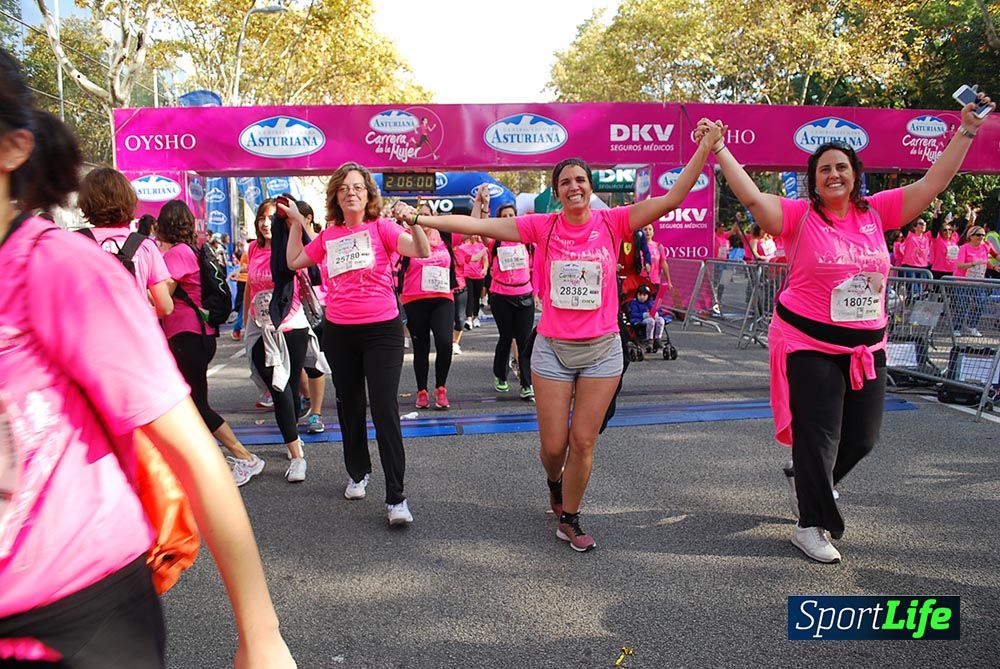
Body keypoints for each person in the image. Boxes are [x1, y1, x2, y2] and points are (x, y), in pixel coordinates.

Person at [0, 48, 295, 668]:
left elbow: (187, 446)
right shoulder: (137, 248)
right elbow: (159, 301)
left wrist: (260, 636)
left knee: (201, 413)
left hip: (78, 619)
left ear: (12, 148)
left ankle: (255, 452)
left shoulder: (62, 266)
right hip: (164, 342)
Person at [391, 120, 723, 551]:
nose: (574, 187)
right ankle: (554, 482)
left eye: (581, 180)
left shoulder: (614, 221)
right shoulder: (541, 226)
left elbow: (674, 196)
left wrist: (705, 148)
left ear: (590, 186)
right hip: (552, 352)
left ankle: (570, 516)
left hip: (603, 351)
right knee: (553, 447)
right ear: (556, 190)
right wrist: (419, 216)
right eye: (565, 182)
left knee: (583, 441)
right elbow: (478, 229)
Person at [703, 88, 994, 564]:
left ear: (855, 174)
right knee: (818, 437)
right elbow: (753, 196)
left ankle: (807, 483)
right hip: (807, 342)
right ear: (814, 183)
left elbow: (935, 183)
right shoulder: (800, 217)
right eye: (824, 170)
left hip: (867, 346)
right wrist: (719, 148)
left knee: (862, 438)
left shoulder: (878, 212)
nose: (833, 174)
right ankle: (810, 524)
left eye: (841, 166)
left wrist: (965, 130)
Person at [283, 162, 430, 526]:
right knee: (350, 407)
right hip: (340, 332)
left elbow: (421, 251)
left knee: (383, 409)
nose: (352, 192)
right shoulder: (329, 236)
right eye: (345, 187)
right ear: (336, 195)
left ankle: (397, 497)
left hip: (382, 331)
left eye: (359, 187)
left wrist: (414, 221)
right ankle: (358, 472)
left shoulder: (382, 227)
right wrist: (293, 227)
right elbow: (294, 260)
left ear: (368, 195)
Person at [156, 200, 265, 487]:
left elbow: (161, 299)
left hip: (186, 336)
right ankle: (205, 462)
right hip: (199, 335)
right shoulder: (193, 250)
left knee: (195, 405)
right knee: (190, 404)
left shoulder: (177, 254)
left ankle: (244, 457)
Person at [243, 200, 314, 482]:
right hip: (259, 326)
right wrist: (241, 320)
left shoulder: (289, 247)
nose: (264, 223)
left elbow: (314, 259)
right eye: (261, 217)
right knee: (278, 386)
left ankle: (292, 436)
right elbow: (250, 285)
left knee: (292, 387)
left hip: (291, 323)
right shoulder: (252, 248)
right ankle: (297, 456)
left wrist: (298, 223)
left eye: (271, 218)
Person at [76, 167, 173, 319]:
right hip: (136, 336)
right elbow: (166, 307)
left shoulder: (73, 243)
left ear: (85, 202)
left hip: (88, 337)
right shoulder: (144, 246)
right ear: (128, 200)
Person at [475, 191, 536, 399]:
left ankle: (526, 383)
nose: (509, 220)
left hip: (525, 295)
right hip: (501, 295)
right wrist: (484, 207)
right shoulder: (496, 241)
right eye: (504, 217)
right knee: (505, 337)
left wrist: (537, 293)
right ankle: (500, 375)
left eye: (512, 216)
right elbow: (483, 232)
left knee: (524, 340)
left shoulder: (526, 240)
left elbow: (535, 268)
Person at [400, 203, 457, 410]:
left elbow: (473, 228)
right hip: (414, 299)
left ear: (433, 216)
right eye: (418, 215)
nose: (422, 219)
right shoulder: (406, 236)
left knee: (444, 343)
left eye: (425, 215)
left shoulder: (445, 236)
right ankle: (422, 390)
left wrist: (481, 204)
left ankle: (440, 388)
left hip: (443, 298)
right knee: (421, 348)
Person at [953, 224, 998, 337]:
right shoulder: (964, 248)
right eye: (978, 235)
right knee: (962, 304)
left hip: (978, 281)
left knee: (980, 302)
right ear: (971, 236)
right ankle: (957, 328)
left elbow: (986, 260)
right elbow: (959, 265)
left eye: (983, 235)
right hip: (963, 281)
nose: (981, 237)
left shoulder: (985, 247)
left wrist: (993, 267)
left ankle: (972, 325)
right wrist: (972, 264)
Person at [458, 233, 488, 329]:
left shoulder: (481, 246)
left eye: (474, 234)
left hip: (478, 276)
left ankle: (475, 317)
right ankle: (469, 318)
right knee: (469, 297)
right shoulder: (463, 247)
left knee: (476, 297)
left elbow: (485, 260)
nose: (472, 236)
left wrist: (485, 269)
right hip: (467, 275)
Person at [627, 284, 665, 352]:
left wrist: (657, 314)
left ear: (648, 296)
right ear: (637, 294)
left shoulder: (651, 302)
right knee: (651, 321)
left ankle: (658, 338)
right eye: (640, 295)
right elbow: (633, 314)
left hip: (652, 318)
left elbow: (660, 311)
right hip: (640, 320)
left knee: (661, 320)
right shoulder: (634, 303)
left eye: (644, 295)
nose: (642, 297)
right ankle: (649, 340)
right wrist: (644, 315)